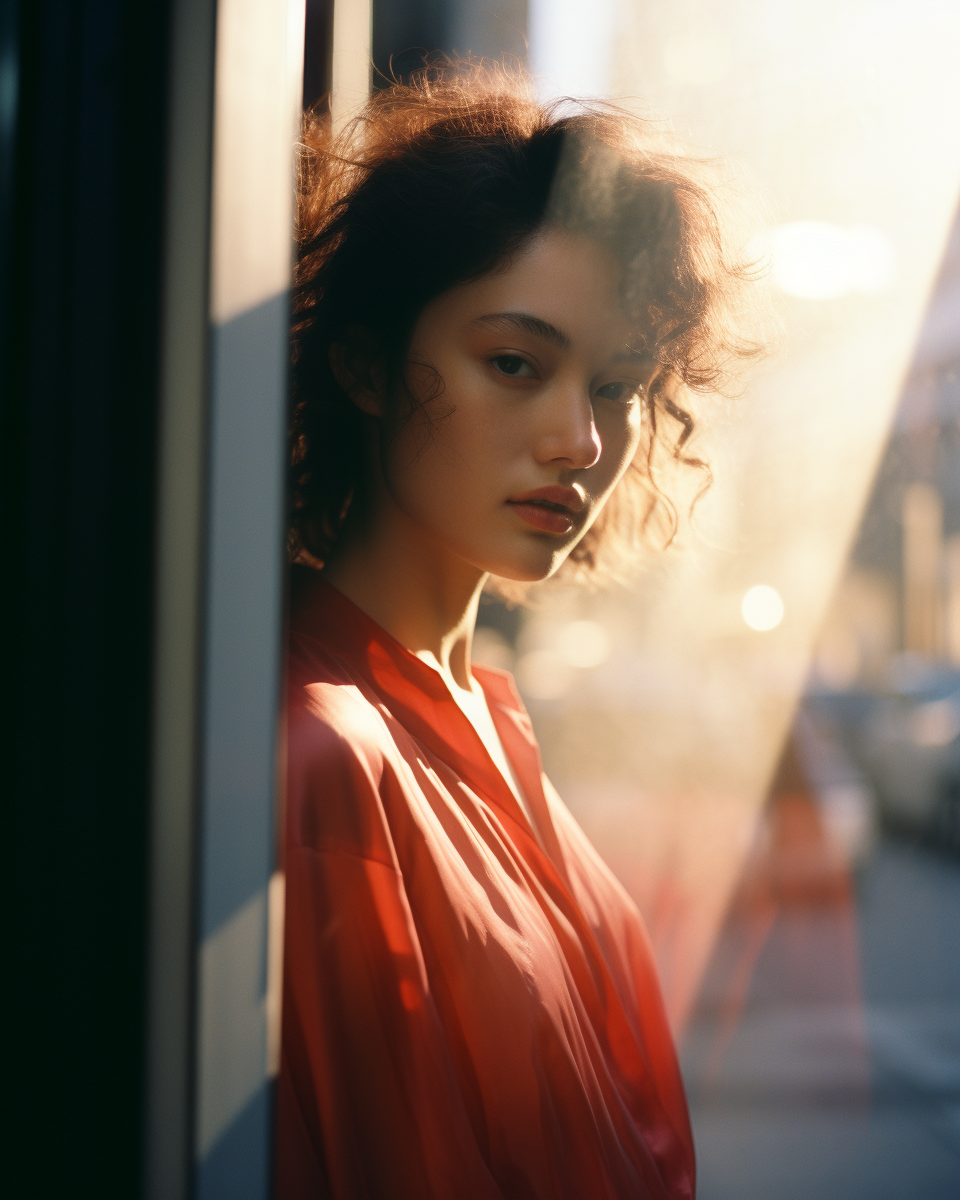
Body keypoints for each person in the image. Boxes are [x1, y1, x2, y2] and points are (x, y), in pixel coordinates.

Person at [275, 65, 762, 1200]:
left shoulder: (483, 710)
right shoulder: (324, 753)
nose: (583, 441)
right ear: (363, 364)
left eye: (618, 384)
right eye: (514, 364)